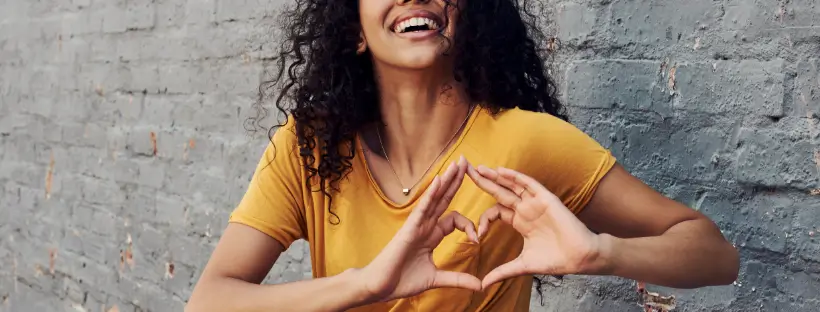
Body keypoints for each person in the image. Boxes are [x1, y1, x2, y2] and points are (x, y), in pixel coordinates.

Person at [186, 0, 739, 311]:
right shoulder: (309, 147)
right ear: (354, 29)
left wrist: (602, 253)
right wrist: (366, 283)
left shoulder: (527, 141)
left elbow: (715, 255)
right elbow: (210, 300)